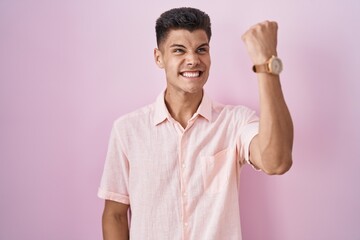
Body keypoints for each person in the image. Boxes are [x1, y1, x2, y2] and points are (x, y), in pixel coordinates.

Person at [98, 7, 293, 240]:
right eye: (179, 50)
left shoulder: (235, 122)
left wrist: (266, 65)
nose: (193, 60)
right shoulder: (127, 130)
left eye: (201, 49)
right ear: (158, 57)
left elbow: (277, 162)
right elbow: (115, 215)